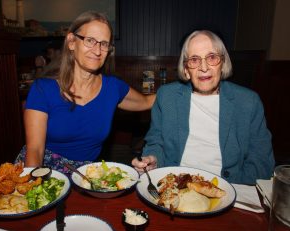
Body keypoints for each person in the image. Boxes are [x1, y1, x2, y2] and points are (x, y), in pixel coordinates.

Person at [16, 11, 155, 174]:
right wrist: (35, 190)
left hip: (87, 176)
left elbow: (147, 102)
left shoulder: (113, 88)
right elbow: (35, 151)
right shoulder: (43, 89)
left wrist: (185, 88)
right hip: (42, 172)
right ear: (71, 42)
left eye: (104, 44)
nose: (97, 51)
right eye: (90, 40)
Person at [131, 30, 274, 184]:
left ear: (223, 63)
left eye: (212, 57)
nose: (204, 67)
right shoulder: (167, 96)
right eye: (194, 59)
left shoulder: (248, 102)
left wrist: (230, 190)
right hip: (174, 186)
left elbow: (261, 161)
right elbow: (156, 141)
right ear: (186, 69)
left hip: (230, 188)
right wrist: (153, 160)